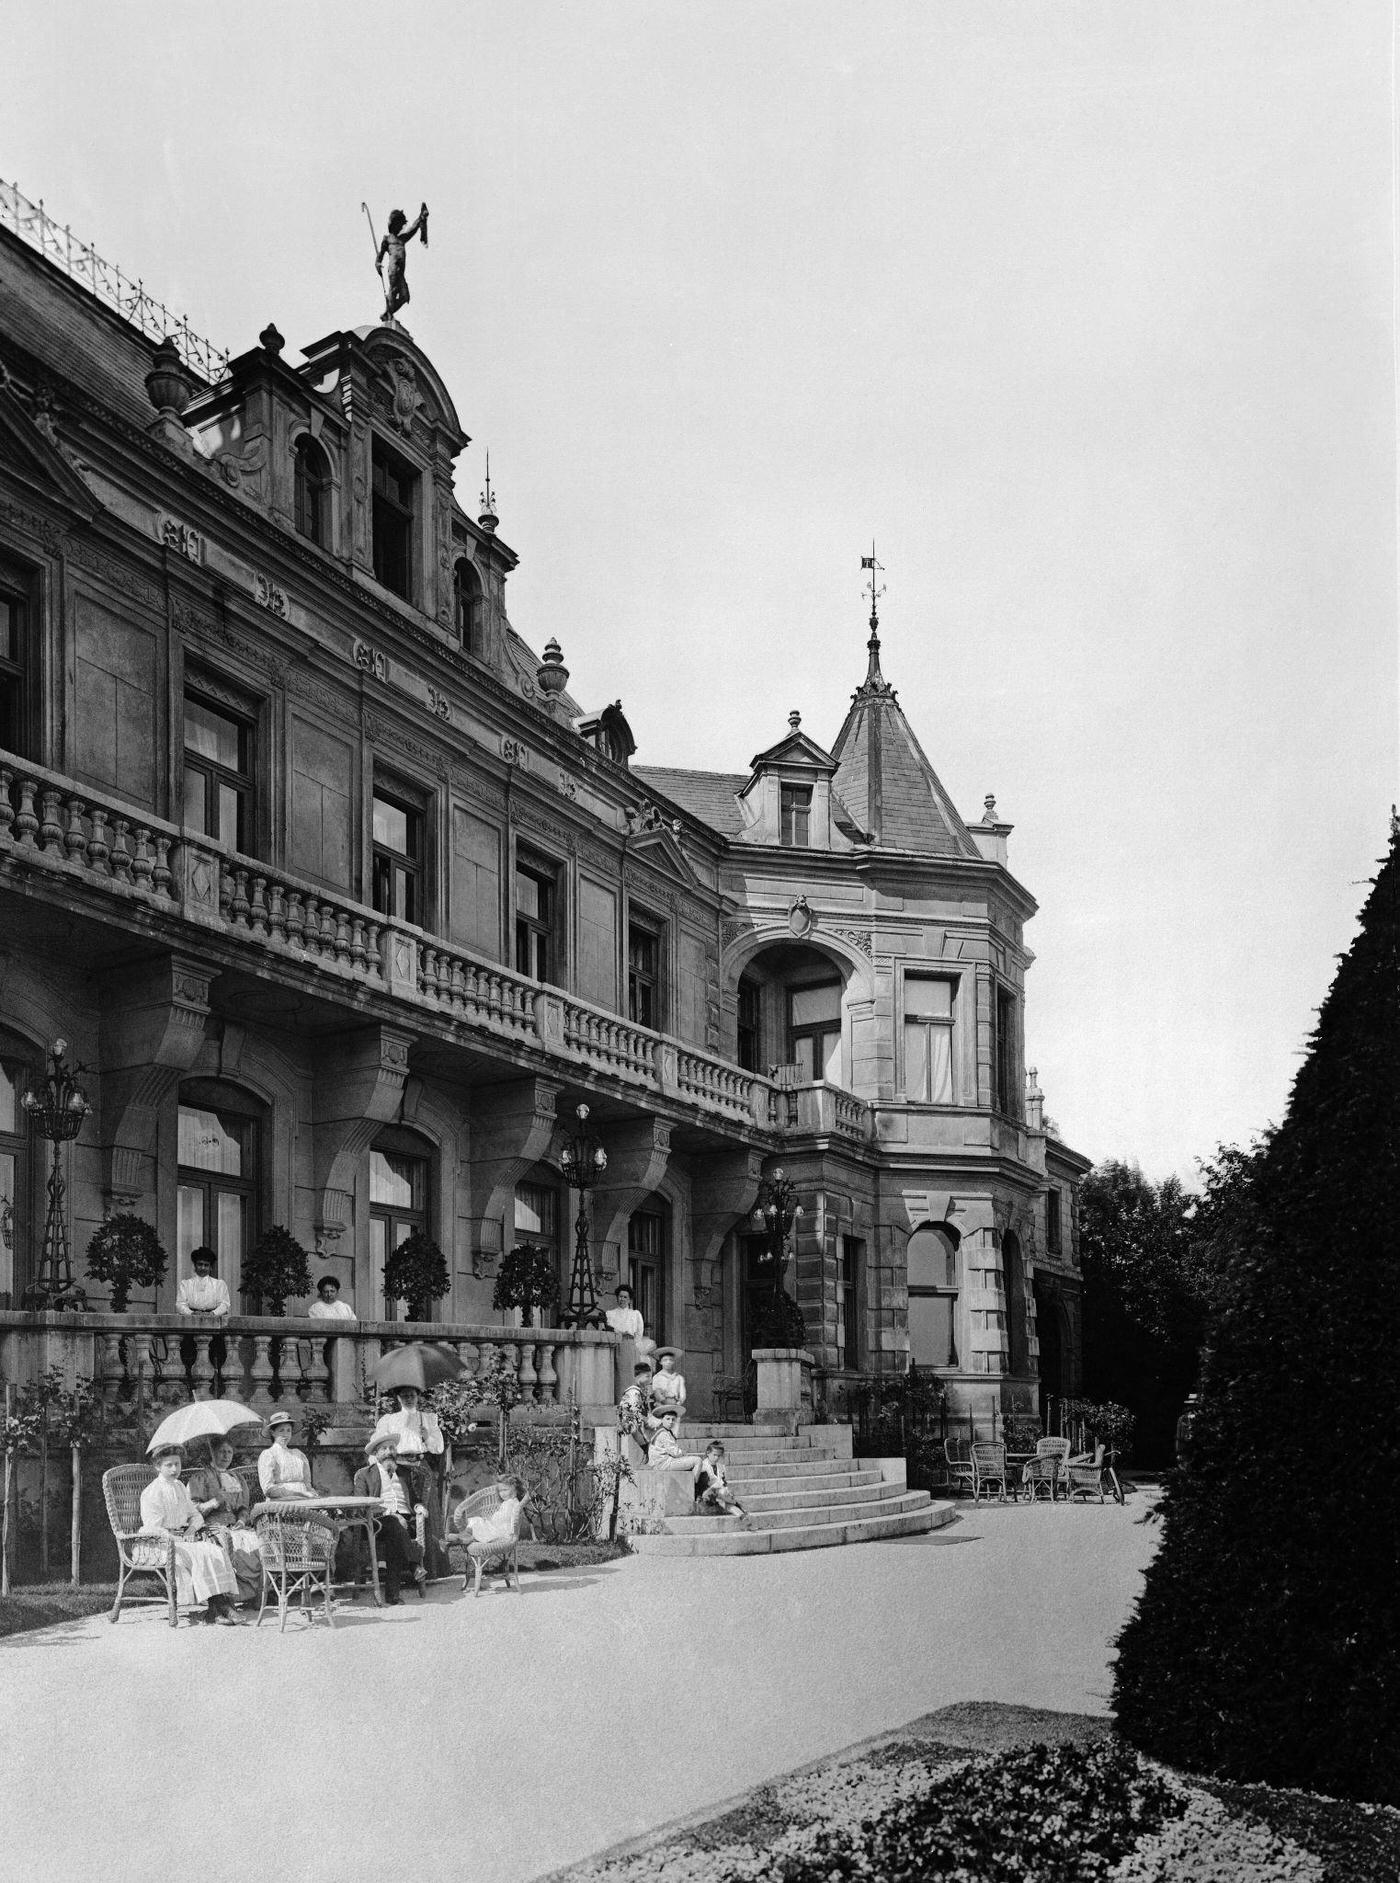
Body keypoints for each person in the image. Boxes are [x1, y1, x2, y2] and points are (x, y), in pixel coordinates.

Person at [139, 1444, 240, 1624]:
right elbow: (153, 1528)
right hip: (156, 1542)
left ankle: (217, 1608)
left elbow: (195, 1515)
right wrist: (178, 1537)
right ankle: (220, 1608)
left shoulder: (178, 1486)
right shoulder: (152, 1492)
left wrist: (191, 1530)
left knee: (213, 1550)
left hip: (181, 1539)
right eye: (168, 1465)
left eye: (177, 1464)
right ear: (158, 1466)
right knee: (197, 1553)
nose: (174, 1469)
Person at [369, 1386, 447, 1574]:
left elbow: (438, 1448)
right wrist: (375, 1469)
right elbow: (376, 1446)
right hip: (398, 1467)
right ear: (398, 1398)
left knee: (424, 1513)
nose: (409, 1399)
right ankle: (407, 1566)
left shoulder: (427, 1418)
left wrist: (427, 1437)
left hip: (421, 1468)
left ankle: (430, 1569)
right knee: (404, 1510)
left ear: (418, 1396)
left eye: (412, 1395)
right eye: (404, 1396)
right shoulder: (389, 1420)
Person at [186, 1437, 263, 1604]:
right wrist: (214, 1502)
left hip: (236, 1527)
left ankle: (258, 1594)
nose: (226, 1456)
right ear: (212, 1453)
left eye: (229, 1452)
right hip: (211, 1528)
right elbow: (191, 1511)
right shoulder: (200, 1478)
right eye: (221, 1451)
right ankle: (229, 1596)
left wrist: (242, 1521)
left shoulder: (237, 1478)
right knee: (235, 1547)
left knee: (259, 1543)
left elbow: (243, 1508)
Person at [354, 1433, 426, 1605]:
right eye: (384, 1449)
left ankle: (393, 1595)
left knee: (395, 1534)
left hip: (406, 1521)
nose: (389, 1452)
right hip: (376, 1522)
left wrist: (419, 1507)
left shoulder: (404, 1473)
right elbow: (360, 1504)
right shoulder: (365, 1475)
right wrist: (391, 1514)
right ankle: (414, 1566)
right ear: (376, 1454)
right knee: (394, 1525)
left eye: (392, 1448)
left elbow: (415, 1499)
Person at [377, 204, 428, 323]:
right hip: (393, 267)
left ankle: (388, 312)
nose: (402, 227)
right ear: (394, 224)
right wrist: (378, 264)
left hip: (401, 272)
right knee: (393, 290)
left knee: (405, 296)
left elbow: (414, 228)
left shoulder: (402, 239)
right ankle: (389, 316)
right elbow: (379, 257)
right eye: (400, 224)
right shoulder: (387, 239)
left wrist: (421, 217)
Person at [257, 1409, 315, 1501]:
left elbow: (307, 1484)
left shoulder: (298, 1454)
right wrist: (299, 1494)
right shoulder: (268, 1455)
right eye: (281, 1430)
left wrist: (313, 1494)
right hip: (280, 1503)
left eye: (288, 1430)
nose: (285, 1435)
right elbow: (268, 1489)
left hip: (305, 1500)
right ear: (273, 1432)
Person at [456, 1475, 528, 1548]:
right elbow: (500, 1517)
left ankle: (465, 1537)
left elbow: (514, 1518)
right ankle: (466, 1536)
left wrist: (513, 1534)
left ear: (515, 1489)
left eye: (505, 1490)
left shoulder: (514, 1504)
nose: (502, 1494)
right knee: (477, 1520)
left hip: (501, 1533)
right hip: (496, 1528)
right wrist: (489, 1520)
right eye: (500, 1491)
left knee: (476, 1522)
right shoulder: (507, 1502)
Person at [693, 1441, 747, 1520]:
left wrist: (726, 1491)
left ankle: (741, 1515)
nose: (716, 1458)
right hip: (705, 1494)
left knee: (722, 1500)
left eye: (719, 1456)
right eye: (714, 1455)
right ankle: (738, 1506)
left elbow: (723, 1482)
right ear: (708, 1453)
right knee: (720, 1494)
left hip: (718, 1497)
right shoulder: (702, 1466)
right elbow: (698, 1484)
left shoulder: (721, 1467)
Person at [605, 1284, 655, 1366]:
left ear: (629, 1300)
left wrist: (632, 1344)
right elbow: (609, 1330)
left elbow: (639, 1333)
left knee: (629, 1371)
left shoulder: (635, 1314)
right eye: (620, 1296)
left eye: (625, 1297)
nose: (622, 1299)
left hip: (630, 1346)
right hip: (615, 1345)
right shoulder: (610, 1314)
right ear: (617, 1298)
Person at [176, 1247, 230, 1319]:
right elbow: (180, 1304)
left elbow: (224, 1305)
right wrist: (191, 1313)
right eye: (200, 1264)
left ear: (211, 1267)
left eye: (206, 1265)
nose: (203, 1268)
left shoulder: (219, 1285)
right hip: (191, 1320)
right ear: (195, 1266)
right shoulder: (185, 1284)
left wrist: (213, 1313)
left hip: (213, 1320)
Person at [645, 1407, 701, 1475]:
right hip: (663, 1464)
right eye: (668, 1419)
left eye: (673, 1419)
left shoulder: (664, 1431)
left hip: (661, 1462)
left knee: (690, 1462)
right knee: (697, 1460)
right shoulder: (664, 1434)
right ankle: (694, 1484)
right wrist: (683, 1452)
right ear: (662, 1420)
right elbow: (675, 1452)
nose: (671, 1422)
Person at [617, 1362, 655, 1455]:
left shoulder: (642, 1390)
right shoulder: (633, 1392)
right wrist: (647, 1420)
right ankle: (646, 1449)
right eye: (647, 1376)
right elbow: (634, 1412)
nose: (650, 1379)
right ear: (638, 1377)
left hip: (638, 1418)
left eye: (650, 1376)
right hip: (629, 1420)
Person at [650, 1348, 687, 1430]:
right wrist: (663, 1400)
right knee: (662, 1431)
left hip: (674, 1407)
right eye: (665, 1360)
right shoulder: (657, 1377)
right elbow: (657, 1393)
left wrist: (678, 1402)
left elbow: (682, 1394)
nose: (668, 1362)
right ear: (660, 1362)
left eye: (670, 1360)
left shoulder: (679, 1378)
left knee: (674, 1432)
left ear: (673, 1361)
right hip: (662, 1407)